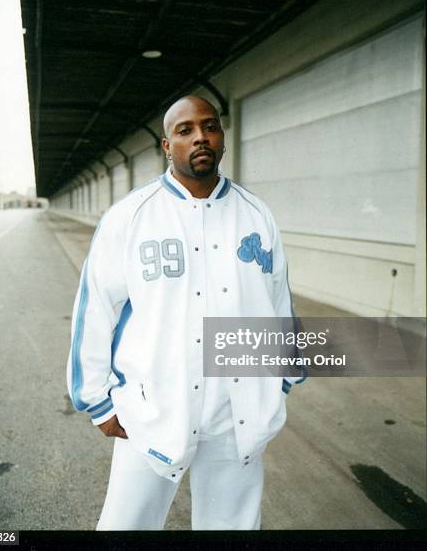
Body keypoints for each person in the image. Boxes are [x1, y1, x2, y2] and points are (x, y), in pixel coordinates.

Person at [67, 95, 305, 530]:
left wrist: (286, 375)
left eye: (210, 126)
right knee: (125, 527)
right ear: (166, 145)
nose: (201, 137)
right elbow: (96, 309)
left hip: (238, 416)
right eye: (185, 129)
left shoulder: (257, 215)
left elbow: (277, 302)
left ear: (222, 137)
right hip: (153, 410)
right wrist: (96, 401)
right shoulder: (130, 217)